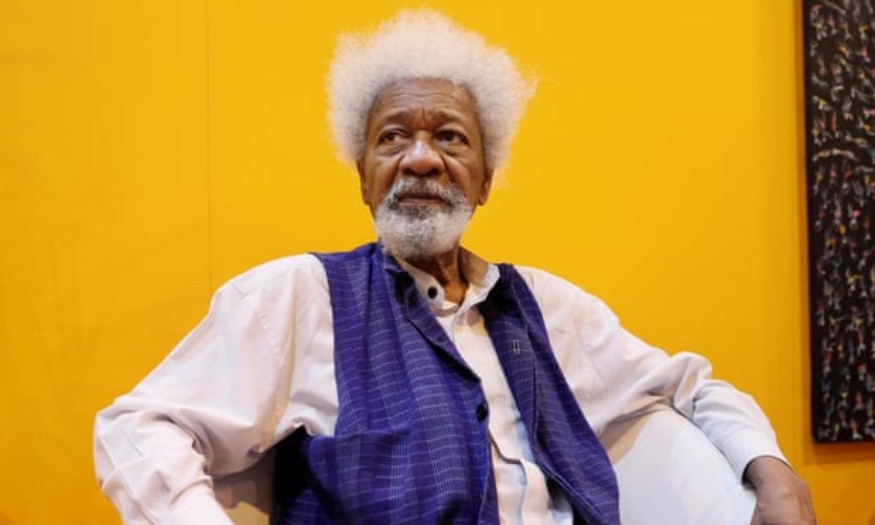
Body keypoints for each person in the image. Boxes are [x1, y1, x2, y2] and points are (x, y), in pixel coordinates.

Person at [94, 9, 816, 525]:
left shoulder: (546, 307)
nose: (420, 158)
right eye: (392, 138)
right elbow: (137, 425)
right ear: (363, 176)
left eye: (449, 137)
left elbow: (690, 388)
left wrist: (776, 477)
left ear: (483, 180)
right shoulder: (299, 297)